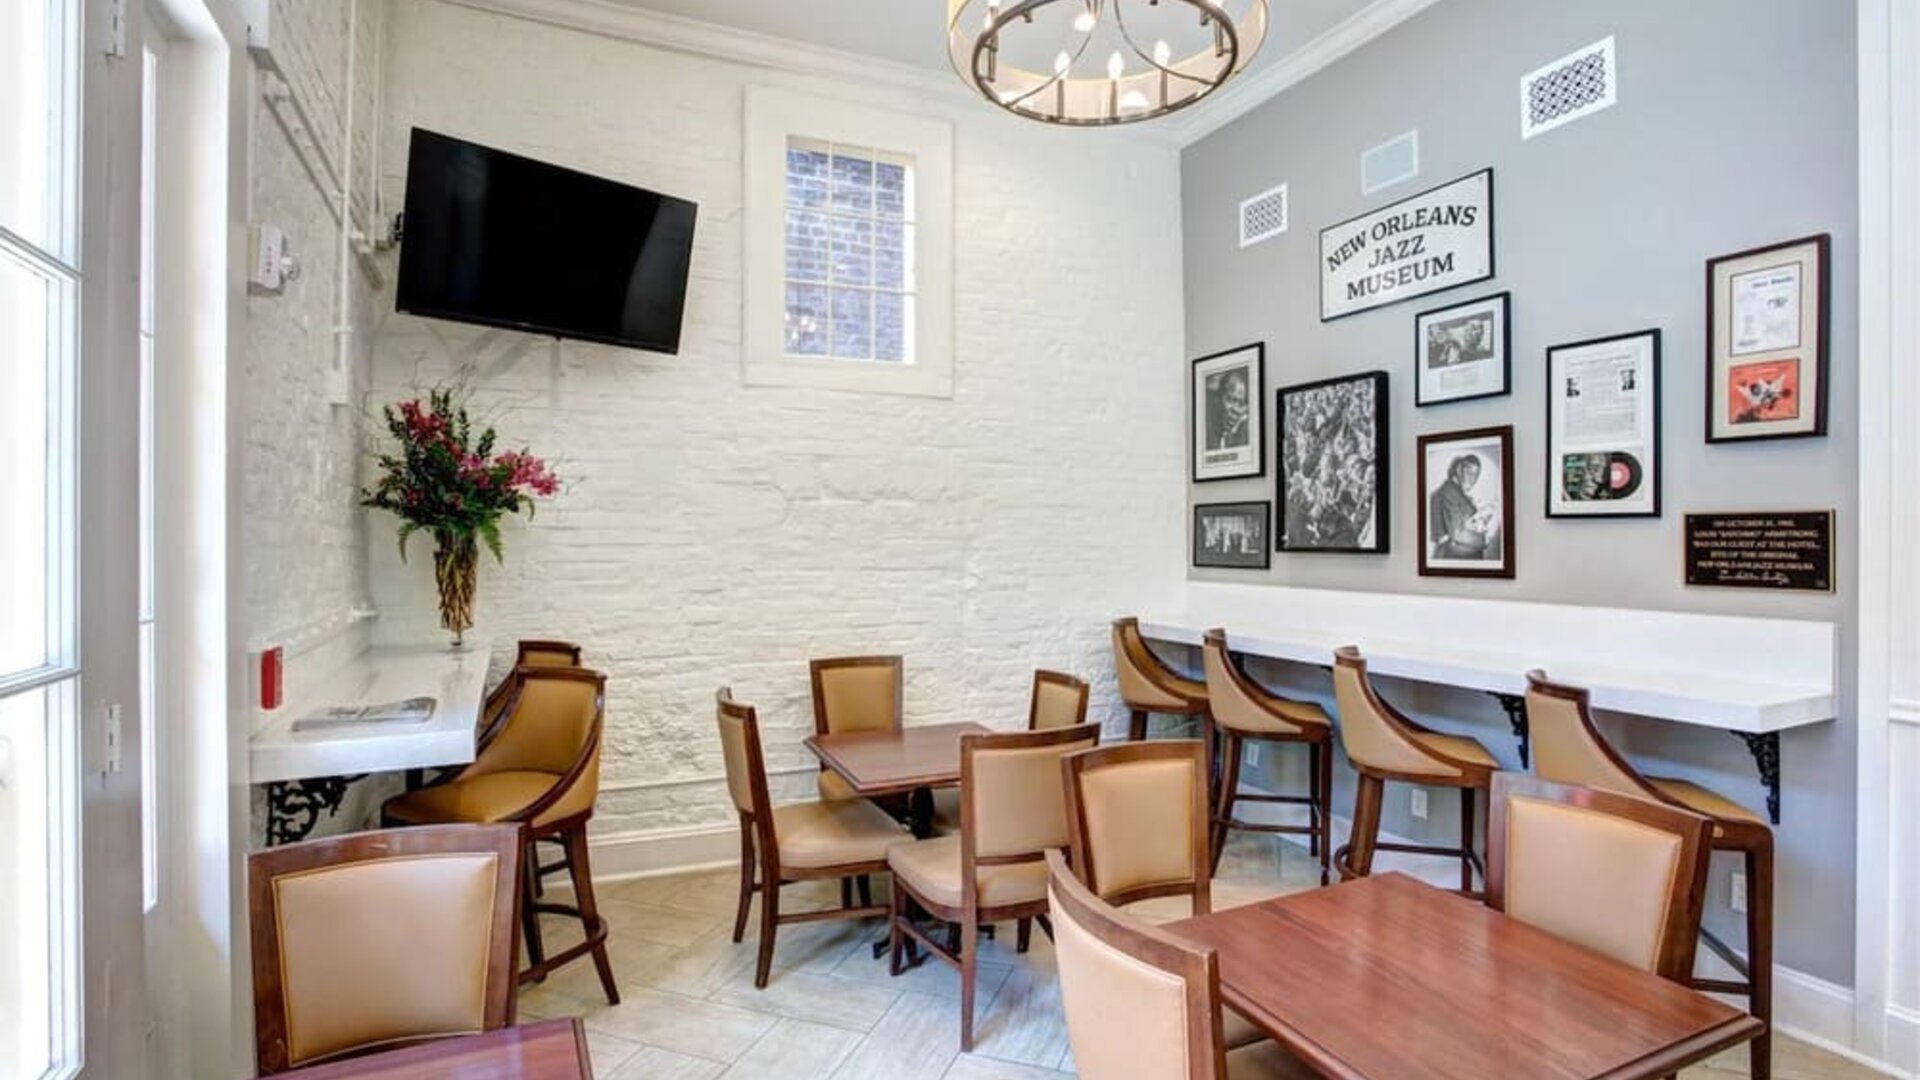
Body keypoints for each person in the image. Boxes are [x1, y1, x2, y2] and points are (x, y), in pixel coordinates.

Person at [1429, 453, 1499, 560]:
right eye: (1469, 472)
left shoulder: (1457, 492)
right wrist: (1484, 540)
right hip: (1457, 558)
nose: (1473, 478)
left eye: (1476, 474)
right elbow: (1458, 533)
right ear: (1458, 470)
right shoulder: (1450, 493)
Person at [1207, 369, 1250, 450]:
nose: (1235, 409)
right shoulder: (1207, 429)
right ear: (1219, 399)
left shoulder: (1246, 432)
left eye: (1241, 403)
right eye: (1230, 400)